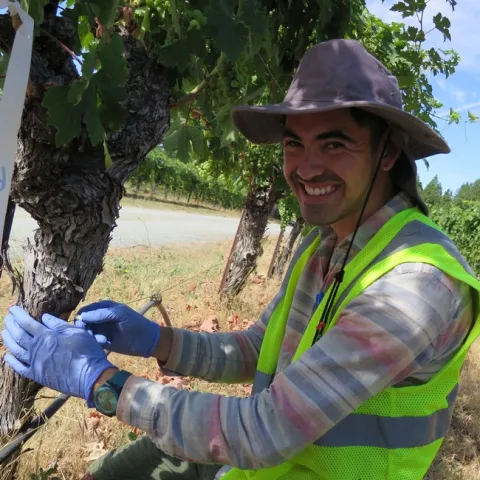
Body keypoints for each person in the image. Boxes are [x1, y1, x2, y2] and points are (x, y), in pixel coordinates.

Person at [2, 39, 480, 480]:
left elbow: (263, 431)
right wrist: (155, 340)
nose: (307, 167)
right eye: (295, 143)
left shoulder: (417, 283)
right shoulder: (326, 247)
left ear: (388, 153)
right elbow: (255, 350)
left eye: (335, 143)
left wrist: (101, 383)